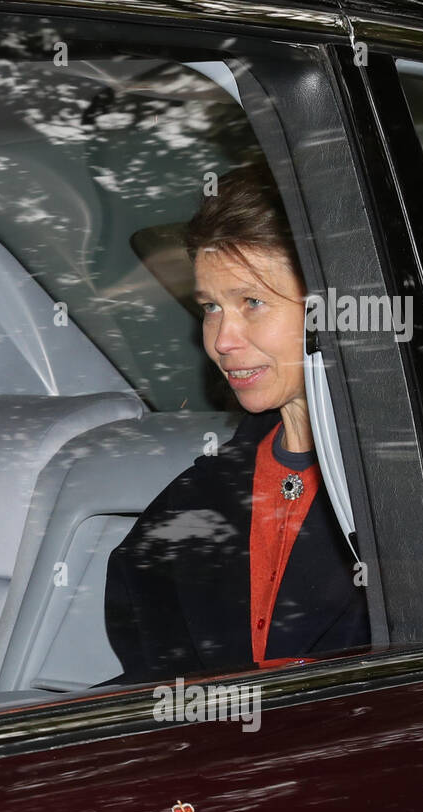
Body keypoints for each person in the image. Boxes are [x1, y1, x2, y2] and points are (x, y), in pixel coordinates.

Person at [103, 163, 369, 684]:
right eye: (209, 307)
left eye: (252, 302)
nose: (222, 340)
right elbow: (150, 686)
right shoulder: (193, 499)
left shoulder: (411, 503)